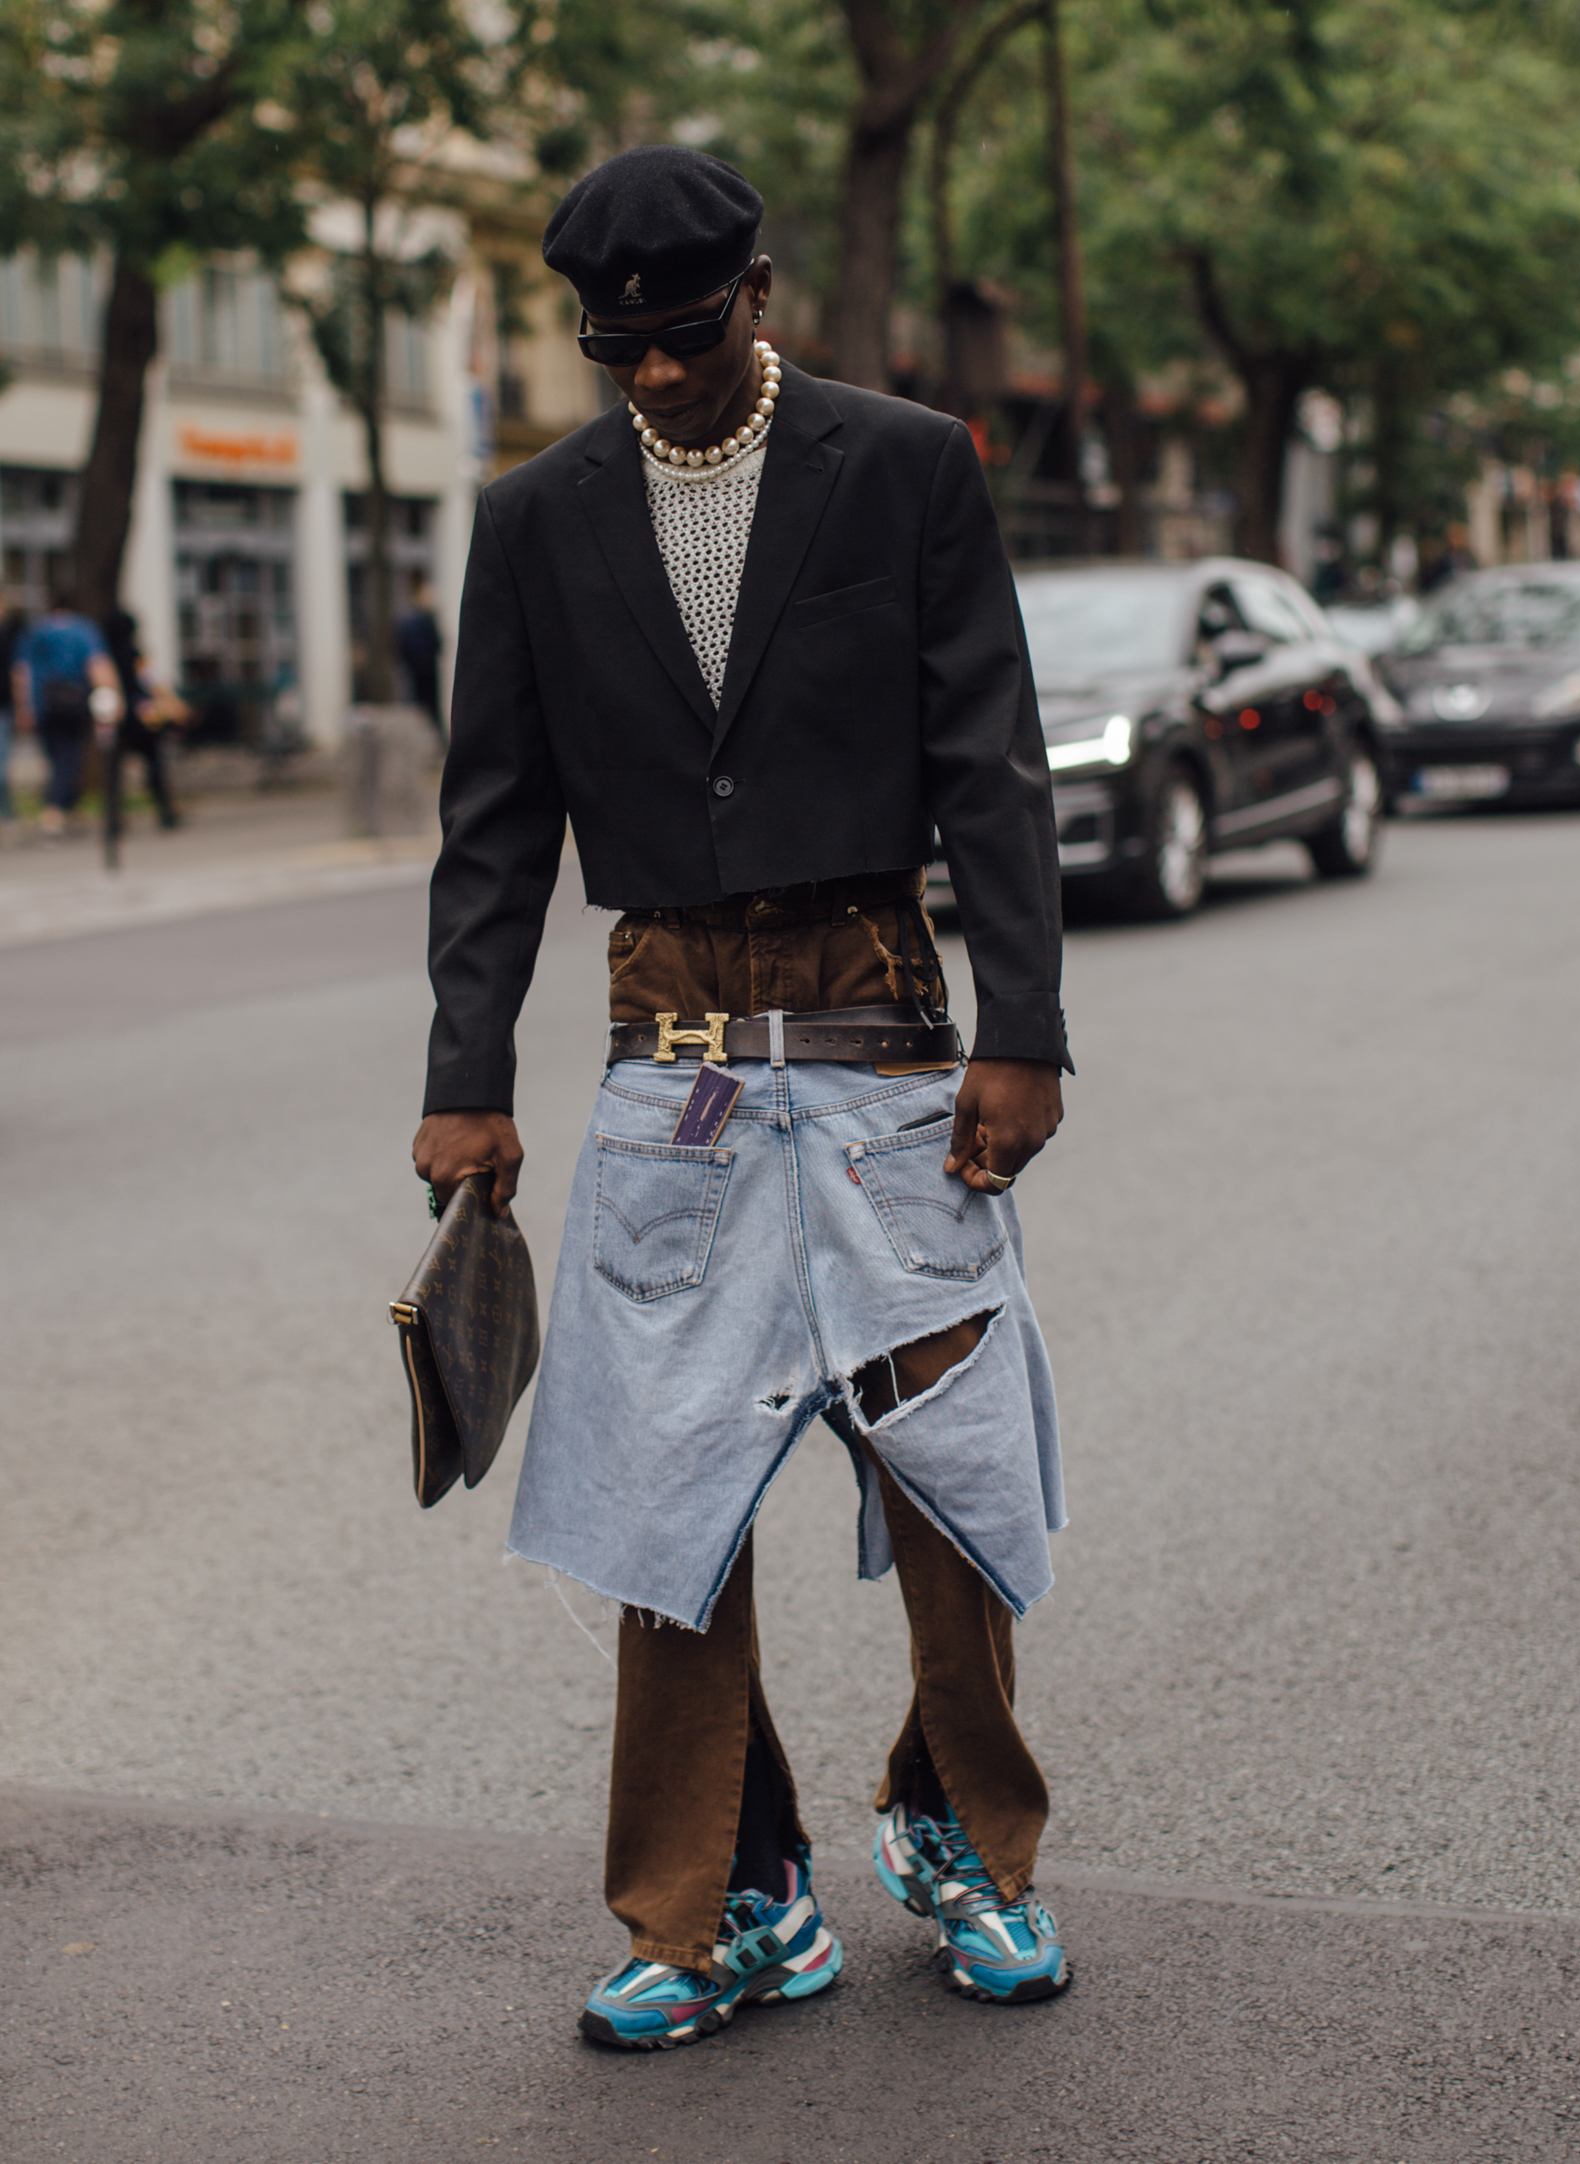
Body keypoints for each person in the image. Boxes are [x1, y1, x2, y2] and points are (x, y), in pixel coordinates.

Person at [413, 145, 1072, 2051]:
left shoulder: (903, 462)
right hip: (671, 1060)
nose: (656, 376)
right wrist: (467, 1079)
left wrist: (1021, 1032)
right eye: (619, 348)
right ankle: (729, 1899)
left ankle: (964, 1844)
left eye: (684, 338)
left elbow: (992, 760)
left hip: (882, 1046)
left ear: (756, 294)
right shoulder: (536, 518)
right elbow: (489, 831)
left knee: (951, 1482)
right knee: (663, 1497)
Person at [14, 576, 119, 836]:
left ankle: (68, 807)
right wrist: (110, 698)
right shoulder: (83, 630)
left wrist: (23, 707)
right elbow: (98, 666)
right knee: (69, 756)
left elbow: (21, 672)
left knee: (55, 756)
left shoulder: (37, 630)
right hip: (74, 702)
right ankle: (55, 810)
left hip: (43, 704)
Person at [102, 607, 185, 829]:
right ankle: (166, 811)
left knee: (114, 771)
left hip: (115, 718)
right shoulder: (136, 654)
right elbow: (154, 681)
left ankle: (114, 817)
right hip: (142, 718)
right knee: (155, 765)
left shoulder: (104, 656)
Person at [396, 583, 444, 738]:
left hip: (416, 669)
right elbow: (437, 644)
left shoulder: (408, 620)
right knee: (429, 705)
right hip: (426, 669)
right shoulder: (425, 619)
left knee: (418, 704)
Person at [0, 587, 27, 835]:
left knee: (1, 766)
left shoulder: (10, 632)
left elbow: (18, 672)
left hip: (4, 707)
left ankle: (7, 816)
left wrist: (22, 707)